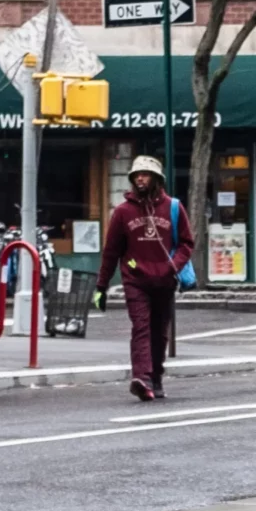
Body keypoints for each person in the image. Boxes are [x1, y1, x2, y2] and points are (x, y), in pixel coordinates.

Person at [95, 156, 194, 401]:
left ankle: (156, 377)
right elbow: (111, 251)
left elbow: (186, 243)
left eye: (146, 174)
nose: (140, 178)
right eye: (136, 174)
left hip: (165, 280)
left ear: (157, 179)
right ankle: (141, 378)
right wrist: (101, 286)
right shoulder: (123, 212)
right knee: (141, 327)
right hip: (135, 279)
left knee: (159, 332)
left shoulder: (173, 207)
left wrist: (173, 266)